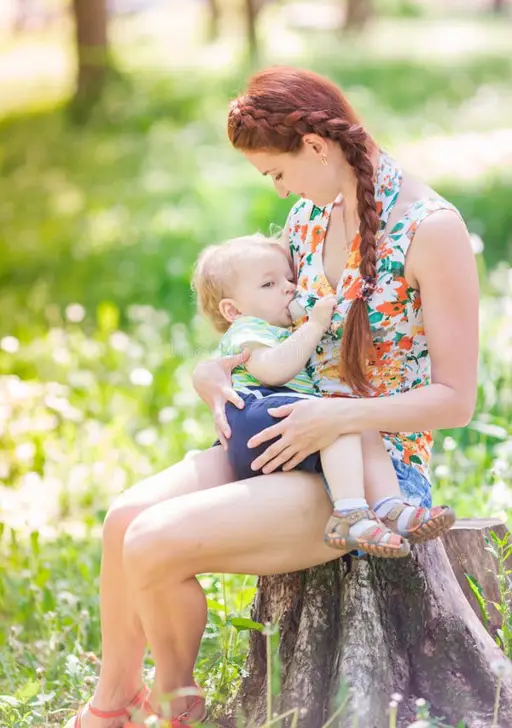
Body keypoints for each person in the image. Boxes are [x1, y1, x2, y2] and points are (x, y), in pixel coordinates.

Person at [65, 67, 478, 728]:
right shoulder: (308, 218)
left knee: (152, 540)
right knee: (123, 519)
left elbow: (456, 401)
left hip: (369, 470)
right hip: (284, 432)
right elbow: (261, 328)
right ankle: (112, 708)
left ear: (315, 146)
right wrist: (214, 369)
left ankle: (177, 709)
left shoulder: (432, 228)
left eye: (275, 174)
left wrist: (336, 416)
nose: (278, 190)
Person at [192, 232, 456, 557]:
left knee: (358, 424)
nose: (288, 287)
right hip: (256, 418)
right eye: (268, 284)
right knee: (335, 421)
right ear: (233, 310)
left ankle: (392, 507)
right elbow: (273, 370)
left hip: (276, 420)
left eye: (289, 278)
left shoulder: (273, 328)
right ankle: (350, 514)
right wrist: (314, 326)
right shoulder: (248, 330)